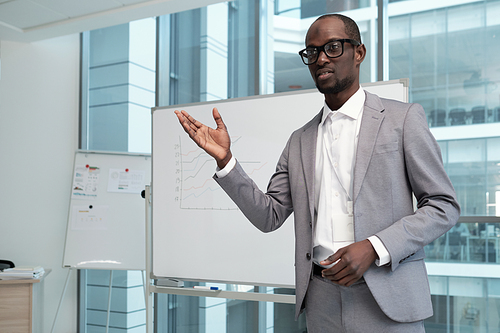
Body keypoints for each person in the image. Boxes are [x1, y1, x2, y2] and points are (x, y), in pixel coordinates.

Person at [175, 13, 460, 333]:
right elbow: (269, 216)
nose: (321, 58)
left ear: (359, 53)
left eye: (333, 47)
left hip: (387, 298)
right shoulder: (299, 140)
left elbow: (442, 206)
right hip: (321, 300)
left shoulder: (402, 119)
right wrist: (226, 160)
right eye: (312, 51)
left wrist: (375, 247)